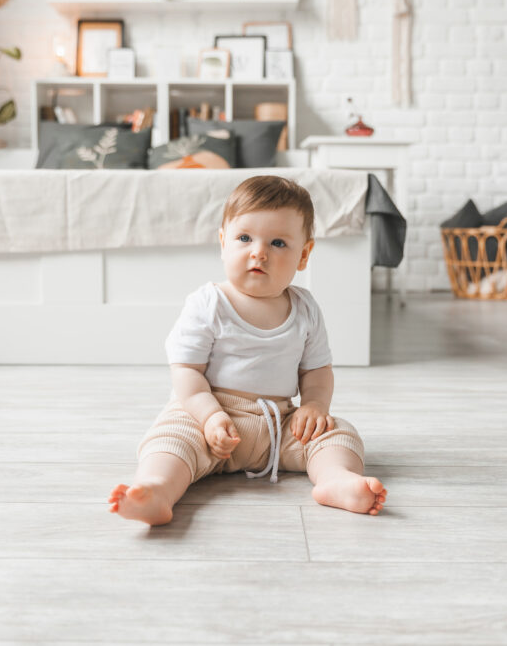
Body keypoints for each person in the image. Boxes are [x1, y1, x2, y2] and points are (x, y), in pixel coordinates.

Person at [108, 175, 387, 525]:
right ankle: (156, 489)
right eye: (244, 238)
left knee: (338, 432)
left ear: (304, 255)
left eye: (278, 243)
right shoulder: (209, 303)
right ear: (223, 243)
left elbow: (316, 371)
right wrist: (209, 416)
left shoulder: (305, 308)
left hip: (278, 424)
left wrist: (315, 406)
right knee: (171, 438)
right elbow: (187, 372)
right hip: (208, 416)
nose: (259, 252)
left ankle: (336, 481)